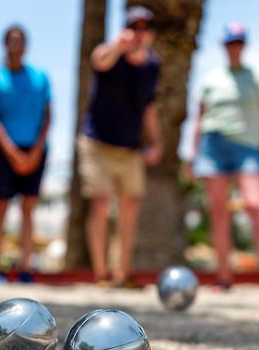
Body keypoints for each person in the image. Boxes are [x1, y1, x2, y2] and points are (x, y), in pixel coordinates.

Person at [185, 22, 259, 293]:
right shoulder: (212, 79)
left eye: (238, 42)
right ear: (224, 46)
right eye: (230, 42)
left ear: (244, 45)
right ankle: (224, 277)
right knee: (218, 212)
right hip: (213, 145)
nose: (234, 47)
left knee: (256, 206)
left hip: (247, 147)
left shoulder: (258, 77)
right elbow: (198, 119)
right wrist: (192, 155)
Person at [78, 6, 163, 288]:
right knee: (101, 205)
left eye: (144, 29)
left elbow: (148, 107)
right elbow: (98, 61)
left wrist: (156, 141)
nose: (139, 34)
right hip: (97, 143)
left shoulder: (152, 66)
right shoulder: (110, 53)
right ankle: (101, 273)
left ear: (150, 34)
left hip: (130, 147)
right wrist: (118, 46)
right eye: (134, 28)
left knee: (129, 207)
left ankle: (121, 273)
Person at [0, 25, 51, 283]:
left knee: (28, 209)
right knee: (0, 207)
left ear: (26, 45)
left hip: (36, 150)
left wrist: (34, 151)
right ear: (5, 44)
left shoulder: (40, 77)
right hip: (6, 152)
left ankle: (25, 269)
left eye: (21, 41)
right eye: (12, 41)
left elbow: (47, 115)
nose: (17, 45)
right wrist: (12, 152)